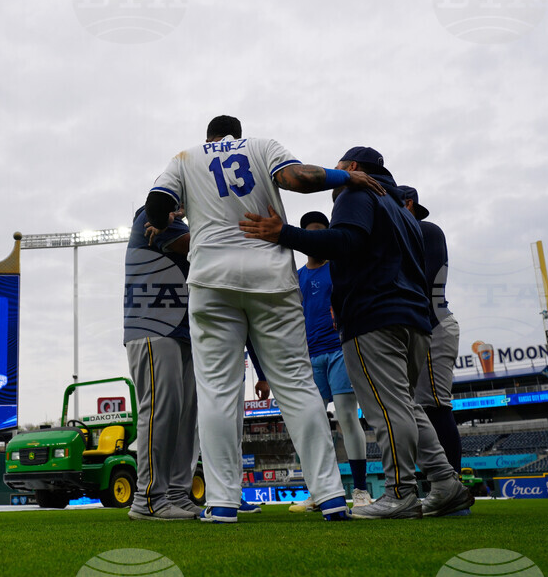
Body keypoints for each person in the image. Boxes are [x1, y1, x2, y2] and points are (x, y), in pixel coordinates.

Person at [145, 115, 382, 524]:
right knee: (297, 385)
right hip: (270, 275)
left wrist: (175, 217)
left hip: (211, 279)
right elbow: (298, 178)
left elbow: (157, 207)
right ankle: (330, 496)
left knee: (217, 391)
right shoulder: (261, 145)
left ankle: (222, 502)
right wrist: (347, 177)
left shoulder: (185, 157)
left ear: (209, 137)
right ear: (237, 134)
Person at [239, 146, 473, 519]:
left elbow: (344, 241)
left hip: (374, 316)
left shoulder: (356, 192)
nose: (335, 174)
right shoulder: (401, 210)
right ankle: (446, 483)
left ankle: (400, 492)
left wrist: (283, 233)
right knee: (407, 406)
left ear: (351, 167)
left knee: (388, 409)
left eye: (338, 167)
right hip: (413, 319)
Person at [289, 210, 373, 511]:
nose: (316, 238)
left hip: (339, 351)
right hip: (310, 357)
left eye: (320, 231)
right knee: (312, 423)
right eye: (310, 232)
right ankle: (320, 491)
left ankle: (361, 490)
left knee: (347, 416)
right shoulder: (296, 276)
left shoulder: (340, 268)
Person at [124, 205, 201, 520]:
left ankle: (176, 494)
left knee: (184, 417)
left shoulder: (178, 222)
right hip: (152, 326)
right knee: (161, 412)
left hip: (181, 328)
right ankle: (148, 499)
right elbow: (195, 244)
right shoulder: (151, 214)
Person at [398, 187, 466, 488]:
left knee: (434, 406)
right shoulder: (401, 235)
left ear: (408, 203)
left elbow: (427, 283)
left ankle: (452, 485)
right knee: (418, 408)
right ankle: (442, 485)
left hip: (433, 323)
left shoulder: (425, 229)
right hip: (419, 325)